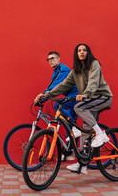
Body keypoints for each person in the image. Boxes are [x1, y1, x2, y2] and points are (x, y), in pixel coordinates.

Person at [35, 44, 113, 174]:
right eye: (79, 51)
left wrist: (86, 94)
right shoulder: (75, 70)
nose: (81, 52)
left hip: (102, 96)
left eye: (84, 50)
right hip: (89, 100)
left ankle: (101, 134)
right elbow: (63, 85)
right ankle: (82, 165)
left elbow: (93, 82)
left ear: (88, 52)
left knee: (78, 107)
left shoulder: (94, 64)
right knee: (85, 132)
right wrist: (46, 95)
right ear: (76, 54)